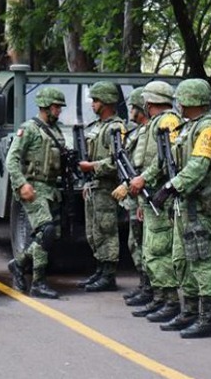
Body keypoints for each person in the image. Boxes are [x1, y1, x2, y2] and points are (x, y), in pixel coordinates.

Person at [149, 79, 211, 338]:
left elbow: (197, 166)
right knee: (182, 261)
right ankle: (190, 311)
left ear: (191, 100)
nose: (177, 104)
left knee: (202, 262)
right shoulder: (189, 127)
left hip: (198, 208)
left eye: (180, 100)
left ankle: (208, 320)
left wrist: (170, 188)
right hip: (185, 205)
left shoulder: (209, 128)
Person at [6, 87, 69, 299]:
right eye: (56, 107)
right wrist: (22, 184)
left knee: (50, 236)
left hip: (51, 189)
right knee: (46, 230)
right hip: (33, 188)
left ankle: (19, 263)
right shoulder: (29, 129)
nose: (59, 111)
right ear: (45, 107)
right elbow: (11, 160)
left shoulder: (58, 130)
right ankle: (38, 283)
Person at [128, 81, 182, 322]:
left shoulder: (168, 121)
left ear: (149, 103)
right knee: (151, 250)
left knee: (159, 250)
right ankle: (159, 298)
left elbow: (165, 160)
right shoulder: (157, 122)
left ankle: (170, 302)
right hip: (150, 197)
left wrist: (144, 179)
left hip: (162, 197)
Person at [76, 81, 126, 292]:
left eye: (95, 100)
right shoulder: (96, 127)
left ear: (106, 102)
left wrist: (92, 166)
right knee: (94, 232)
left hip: (107, 187)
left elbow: (118, 160)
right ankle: (99, 269)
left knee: (107, 230)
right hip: (95, 187)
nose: (92, 104)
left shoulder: (116, 128)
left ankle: (109, 274)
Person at [112, 88, 153, 306]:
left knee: (144, 245)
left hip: (143, 196)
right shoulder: (137, 132)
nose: (131, 111)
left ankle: (151, 288)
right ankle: (145, 284)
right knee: (135, 243)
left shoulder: (149, 133)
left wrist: (131, 189)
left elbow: (142, 168)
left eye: (134, 107)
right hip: (135, 197)